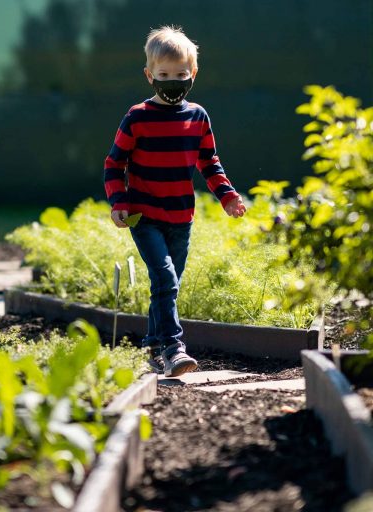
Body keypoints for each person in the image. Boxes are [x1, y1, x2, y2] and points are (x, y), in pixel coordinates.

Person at [103, 25, 247, 378]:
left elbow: (209, 161)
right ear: (149, 75)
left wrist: (227, 196)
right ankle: (173, 348)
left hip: (181, 216)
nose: (172, 81)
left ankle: (153, 344)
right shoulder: (137, 117)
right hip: (144, 215)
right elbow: (114, 163)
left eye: (180, 74)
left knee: (168, 285)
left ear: (193, 73)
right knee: (165, 280)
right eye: (164, 75)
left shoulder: (197, 117)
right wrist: (118, 200)